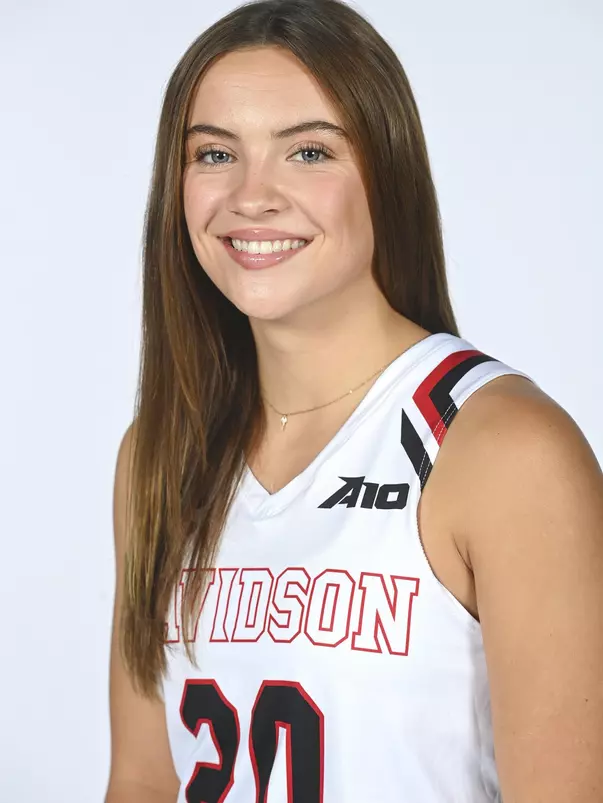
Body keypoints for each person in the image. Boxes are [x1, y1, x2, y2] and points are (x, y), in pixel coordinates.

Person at [104, 1, 603, 801]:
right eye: (213, 154)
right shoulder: (162, 452)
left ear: (387, 169)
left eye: (307, 151)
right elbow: (141, 780)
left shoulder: (501, 449)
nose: (250, 195)